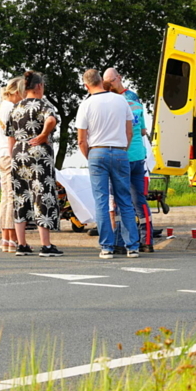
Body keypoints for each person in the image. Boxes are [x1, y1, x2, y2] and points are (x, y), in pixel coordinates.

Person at [77, 68, 139, 258]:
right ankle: (132, 246)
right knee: (125, 200)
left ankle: (106, 247)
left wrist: (91, 156)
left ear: (86, 85)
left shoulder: (86, 105)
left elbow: (81, 140)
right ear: (100, 81)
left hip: (97, 151)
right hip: (120, 151)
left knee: (102, 201)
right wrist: (123, 149)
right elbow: (130, 131)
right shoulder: (121, 100)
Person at [5, 71, 63, 257]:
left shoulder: (15, 108)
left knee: (20, 197)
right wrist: (43, 135)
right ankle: (45, 245)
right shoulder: (43, 104)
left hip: (18, 154)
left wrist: (14, 155)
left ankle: (21, 244)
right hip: (38, 155)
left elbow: (10, 137)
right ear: (39, 87)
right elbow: (51, 119)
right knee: (42, 195)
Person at [103, 67, 153, 252]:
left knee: (118, 201)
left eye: (111, 81)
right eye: (106, 82)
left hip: (122, 155)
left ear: (120, 78)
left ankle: (119, 242)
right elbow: (142, 129)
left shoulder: (114, 100)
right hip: (138, 155)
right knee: (138, 200)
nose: (109, 85)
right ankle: (146, 240)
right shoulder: (135, 97)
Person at [0, 77, 25, 253]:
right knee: (12, 198)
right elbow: (13, 135)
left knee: (6, 198)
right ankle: (10, 238)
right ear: (15, 92)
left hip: (0, 155)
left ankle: (6, 238)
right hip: (9, 155)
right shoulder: (11, 109)